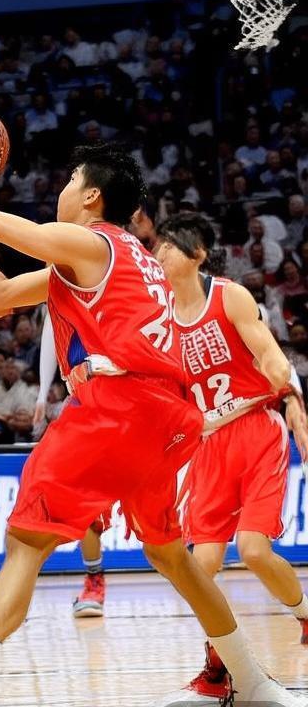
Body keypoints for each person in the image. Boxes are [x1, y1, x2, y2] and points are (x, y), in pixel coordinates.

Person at [0, 143, 303, 707]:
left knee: (26, 541)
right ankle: (252, 681)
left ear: (92, 195)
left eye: (71, 179)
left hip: (119, 404)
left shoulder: (92, 242)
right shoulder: (127, 259)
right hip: (170, 419)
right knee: (171, 555)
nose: (62, 188)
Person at [153, 214, 308, 703]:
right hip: (209, 444)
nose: (160, 253)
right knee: (200, 567)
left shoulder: (229, 296)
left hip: (256, 427)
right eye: (158, 246)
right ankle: (218, 668)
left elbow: (271, 355)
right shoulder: (159, 320)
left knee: (254, 551)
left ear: (197, 254)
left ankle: (305, 614)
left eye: (170, 246)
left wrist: (287, 387)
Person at [34, 317, 106, 618]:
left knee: (158, 531)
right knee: (79, 502)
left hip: (134, 399)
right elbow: (51, 324)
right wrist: (42, 392)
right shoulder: (62, 296)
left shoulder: (128, 292)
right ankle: (94, 580)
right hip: (86, 403)